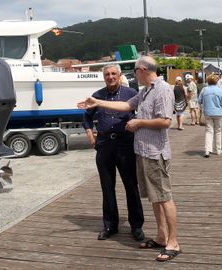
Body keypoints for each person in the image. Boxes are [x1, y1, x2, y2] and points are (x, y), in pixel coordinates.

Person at [78, 56, 181, 262]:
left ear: (142, 70)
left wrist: (138, 123)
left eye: (134, 71)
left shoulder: (162, 89)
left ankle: (173, 242)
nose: (132, 75)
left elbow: (166, 121)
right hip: (142, 151)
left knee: (164, 197)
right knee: (154, 197)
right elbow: (125, 106)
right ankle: (161, 236)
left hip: (155, 152)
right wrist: (97, 101)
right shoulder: (144, 92)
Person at [82, 64, 145, 242]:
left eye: (113, 74)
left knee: (131, 185)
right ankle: (110, 225)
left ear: (119, 75)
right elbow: (86, 116)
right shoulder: (97, 95)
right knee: (107, 186)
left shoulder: (130, 93)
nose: (110, 77)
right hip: (104, 144)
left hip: (125, 143)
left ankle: (136, 225)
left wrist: (136, 123)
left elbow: (141, 113)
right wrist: (89, 134)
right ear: (104, 77)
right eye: (107, 74)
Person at [198, 74, 222, 157]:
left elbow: (199, 101)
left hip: (207, 113)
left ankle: (207, 150)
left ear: (208, 81)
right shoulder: (219, 90)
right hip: (218, 113)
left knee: (209, 131)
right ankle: (218, 150)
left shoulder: (204, 89)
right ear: (216, 81)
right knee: (218, 131)